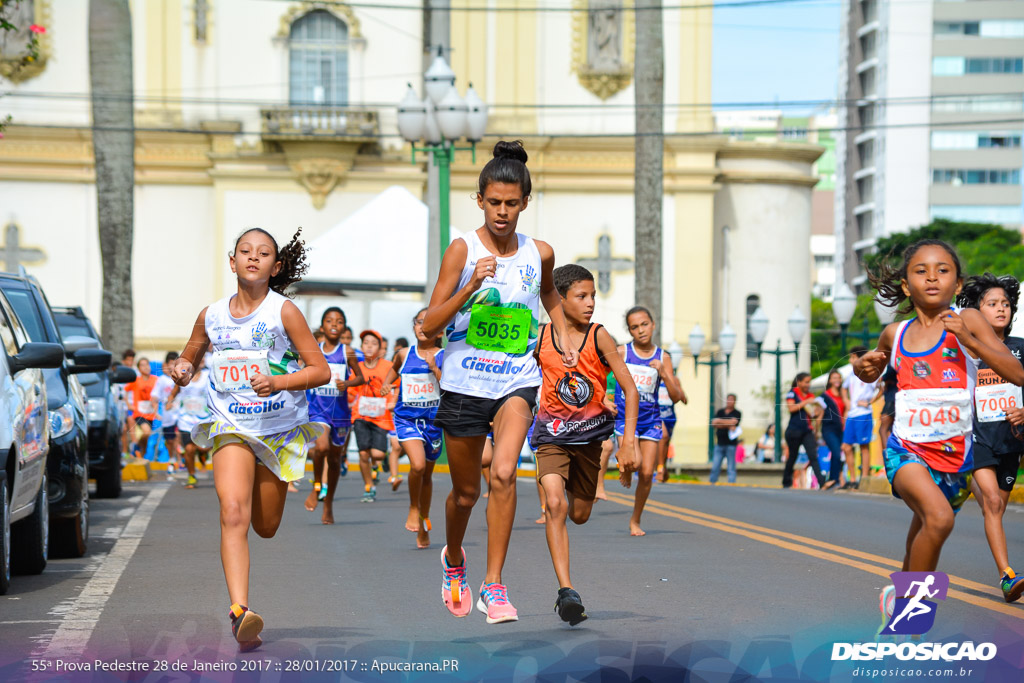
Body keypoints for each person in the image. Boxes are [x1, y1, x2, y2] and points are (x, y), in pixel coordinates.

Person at [423, 140, 577, 623]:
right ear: (480, 200)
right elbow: (429, 324)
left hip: (517, 381)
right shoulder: (462, 251)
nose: (503, 212)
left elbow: (549, 293)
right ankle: (453, 558)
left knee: (506, 473)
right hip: (465, 383)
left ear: (525, 203)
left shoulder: (540, 252)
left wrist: (564, 334)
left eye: (512, 203)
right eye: (494, 203)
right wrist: (469, 286)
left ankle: (494, 585)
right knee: (465, 493)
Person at [167, 227, 330, 652]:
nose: (252, 258)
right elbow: (191, 354)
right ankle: (241, 611)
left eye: (263, 254)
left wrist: (279, 381)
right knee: (233, 510)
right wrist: (183, 369)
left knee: (266, 526)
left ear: (276, 267)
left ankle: (244, 599)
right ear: (232, 261)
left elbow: (321, 372)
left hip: (278, 429)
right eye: (245, 251)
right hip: (230, 424)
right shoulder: (212, 315)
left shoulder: (285, 312)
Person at [854, 240, 1024, 605]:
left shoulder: (971, 321)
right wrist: (860, 367)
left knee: (923, 529)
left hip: (955, 457)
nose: (932, 277)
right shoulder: (895, 334)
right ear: (905, 285)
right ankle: (910, 614)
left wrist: (969, 340)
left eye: (943, 270)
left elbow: (1017, 373)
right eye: (921, 270)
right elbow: (871, 371)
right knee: (939, 518)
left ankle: (900, 596)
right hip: (907, 449)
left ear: (958, 284)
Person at [532, 264, 639, 625]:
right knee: (555, 503)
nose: (591, 302)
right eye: (582, 296)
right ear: (559, 299)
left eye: (592, 295)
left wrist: (628, 444)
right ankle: (567, 592)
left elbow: (630, 389)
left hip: (591, 439)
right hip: (550, 436)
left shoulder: (600, 337)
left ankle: (575, 493)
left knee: (579, 514)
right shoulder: (541, 337)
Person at [956, 273, 1024, 602]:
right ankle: (1007, 575)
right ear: (977, 310)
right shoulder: (966, 350)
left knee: (993, 508)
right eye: (992, 304)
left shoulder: (1020, 349)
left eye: (1006, 304)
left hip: (1012, 442)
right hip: (977, 438)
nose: (1001, 309)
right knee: (993, 503)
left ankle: (965, 482)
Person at [615, 307, 685, 536]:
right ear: (630, 331)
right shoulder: (622, 352)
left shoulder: (663, 356)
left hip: (651, 419)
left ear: (653, 324)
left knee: (646, 473)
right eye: (634, 327)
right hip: (626, 418)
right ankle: (624, 464)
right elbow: (601, 375)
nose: (640, 331)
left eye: (644, 324)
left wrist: (664, 373)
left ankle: (635, 520)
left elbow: (676, 397)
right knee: (633, 462)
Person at [380, 308, 444, 548]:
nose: (422, 327)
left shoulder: (444, 355)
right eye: (419, 322)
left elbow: (448, 384)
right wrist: (387, 384)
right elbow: (394, 369)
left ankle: (423, 522)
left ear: (440, 331)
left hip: (433, 423)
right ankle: (413, 506)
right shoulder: (404, 353)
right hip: (406, 419)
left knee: (426, 475)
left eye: (429, 323)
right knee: (416, 465)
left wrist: (435, 369)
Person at [303, 307, 364, 524]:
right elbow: (303, 373)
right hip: (318, 410)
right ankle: (317, 484)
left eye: (339, 322)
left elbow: (361, 378)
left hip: (340, 414)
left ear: (343, 327)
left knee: (336, 459)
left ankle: (328, 503)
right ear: (322, 327)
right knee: (321, 448)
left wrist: (347, 383)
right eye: (329, 321)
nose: (334, 325)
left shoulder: (347, 352)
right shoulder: (315, 351)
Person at [351, 329, 394, 503]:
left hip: (381, 416)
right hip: (361, 415)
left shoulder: (387, 366)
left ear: (380, 347)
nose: (369, 346)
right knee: (363, 454)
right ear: (361, 346)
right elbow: (351, 390)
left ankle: (381, 460)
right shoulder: (358, 367)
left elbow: (396, 385)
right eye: (366, 343)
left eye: (373, 343)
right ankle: (369, 486)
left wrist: (394, 401)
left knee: (376, 454)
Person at [168, 355, 212, 488]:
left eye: (204, 358)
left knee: (202, 448)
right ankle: (192, 476)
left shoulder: (208, 375)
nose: (202, 359)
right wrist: (169, 401)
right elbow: (174, 391)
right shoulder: (183, 375)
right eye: (200, 358)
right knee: (189, 449)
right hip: (185, 419)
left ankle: (203, 454)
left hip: (204, 419)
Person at [841, 346, 881, 489]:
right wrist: (846, 401)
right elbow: (843, 388)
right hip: (852, 414)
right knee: (846, 446)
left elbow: (881, 387)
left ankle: (864, 477)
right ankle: (852, 478)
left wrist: (870, 401)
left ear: (859, 358)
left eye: (852, 357)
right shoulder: (851, 374)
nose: (851, 360)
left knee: (863, 446)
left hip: (864, 413)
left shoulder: (870, 372)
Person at [782, 372, 825, 488]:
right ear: (799, 382)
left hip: (807, 431)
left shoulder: (811, 396)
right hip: (794, 430)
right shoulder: (792, 393)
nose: (808, 384)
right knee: (792, 456)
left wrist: (817, 413)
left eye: (809, 382)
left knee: (813, 456)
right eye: (806, 382)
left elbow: (812, 414)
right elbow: (791, 408)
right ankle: (786, 482)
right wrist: (805, 402)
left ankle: (822, 483)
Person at [151, 351, 182, 473]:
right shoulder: (162, 380)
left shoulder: (182, 379)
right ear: (166, 364)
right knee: (169, 440)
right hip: (167, 414)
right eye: (171, 363)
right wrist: (155, 411)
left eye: (176, 364)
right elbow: (154, 396)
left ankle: (179, 461)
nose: (173, 366)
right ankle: (172, 459)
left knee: (178, 435)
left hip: (180, 413)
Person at [125, 357, 158, 459]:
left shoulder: (155, 380)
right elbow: (126, 390)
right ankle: (136, 446)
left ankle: (140, 458)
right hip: (139, 412)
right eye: (142, 365)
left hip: (151, 413)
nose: (145, 367)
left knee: (146, 439)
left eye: (147, 364)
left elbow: (159, 394)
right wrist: (129, 405)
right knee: (146, 431)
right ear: (139, 368)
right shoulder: (135, 380)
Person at [820, 370, 846, 490]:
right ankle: (832, 480)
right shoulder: (824, 396)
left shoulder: (843, 395)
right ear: (830, 380)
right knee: (836, 453)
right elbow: (818, 413)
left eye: (839, 378)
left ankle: (838, 479)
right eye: (834, 378)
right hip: (828, 428)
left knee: (840, 455)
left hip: (841, 430)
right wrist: (816, 431)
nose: (837, 380)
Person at [710, 394, 742, 484]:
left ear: (735, 401)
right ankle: (712, 483)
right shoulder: (720, 411)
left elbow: (735, 423)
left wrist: (720, 422)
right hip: (719, 443)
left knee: (731, 467)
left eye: (732, 400)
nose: (729, 401)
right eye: (728, 399)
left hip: (731, 445)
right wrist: (729, 423)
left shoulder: (737, 413)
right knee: (715, 466)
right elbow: (714, 423)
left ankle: (731, 483)